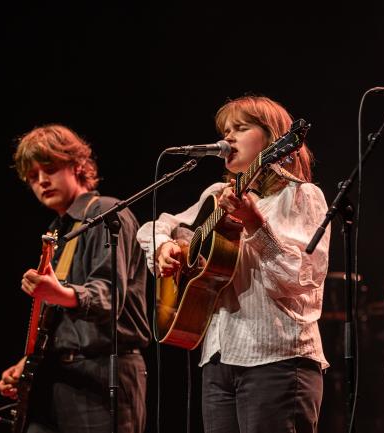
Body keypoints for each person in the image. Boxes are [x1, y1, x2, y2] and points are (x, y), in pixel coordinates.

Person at [137, 95, 330, 433]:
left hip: (278, 359)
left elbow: (300, 280)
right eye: (226, 130)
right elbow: (153, 226)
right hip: (218, 359)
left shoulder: (302, 195)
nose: (228, 138)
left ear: (272, 139)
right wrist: (166, 247)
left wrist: (255, 224)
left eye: (241, 128)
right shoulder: (216, 196)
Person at [0, 125, 151, 433]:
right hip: (59, 376)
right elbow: (61, 318)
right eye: (32, 176)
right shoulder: (58, 230)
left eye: (50, 169)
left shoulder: (105, 211)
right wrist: (29, 363)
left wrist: (58, 293)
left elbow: (109, 296)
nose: (41, 181)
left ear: (78, 165)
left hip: (102, 373)